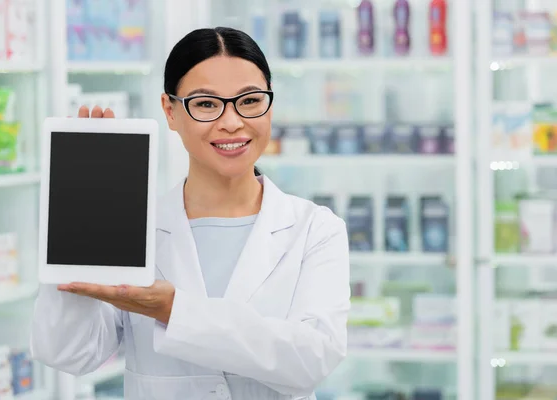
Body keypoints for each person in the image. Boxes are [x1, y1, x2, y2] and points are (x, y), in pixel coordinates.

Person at [31, 27, 350, 400]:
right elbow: (68, 353)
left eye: (249, 101)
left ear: (270, 104)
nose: (231, 122)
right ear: (170, 111)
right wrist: (76, 217)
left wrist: (173, 311)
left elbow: (312, 358)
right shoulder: (134, 228)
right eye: (205, 104)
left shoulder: (315, 229)